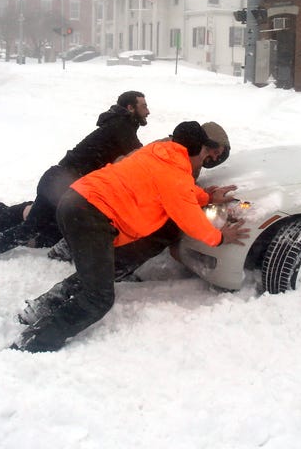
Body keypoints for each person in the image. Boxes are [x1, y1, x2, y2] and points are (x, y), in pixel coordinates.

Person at [12, 120, 248, 353]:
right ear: (195, 150)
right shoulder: (175, 172)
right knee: (98, 298)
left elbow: (180, 190)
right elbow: (189, 216)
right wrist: (219, 237)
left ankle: (40, 308)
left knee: (96, 276)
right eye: (206, 153)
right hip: (90, 216)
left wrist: (206, 197)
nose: (206, 160)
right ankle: (33, 342)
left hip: (75, 201)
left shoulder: (159, 153)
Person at [0, 91, 151, 257]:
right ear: (130, 108)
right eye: (143, 106)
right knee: (26, 230)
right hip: (62, 183)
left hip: (61, 182)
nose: (148, 111)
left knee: (44, 228)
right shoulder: (122, 128)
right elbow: (144, 162)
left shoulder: (119, 126)